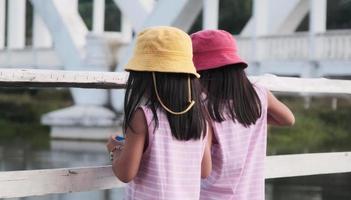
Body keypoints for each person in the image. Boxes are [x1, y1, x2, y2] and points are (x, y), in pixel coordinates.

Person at [106, 26, 212, 200]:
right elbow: (205, 170)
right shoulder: (200, 116)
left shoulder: (143, 116)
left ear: (147, 76)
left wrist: (116, 149)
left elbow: (125, 173)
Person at [190, 30, 295, 200]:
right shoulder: (259, 94)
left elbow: (204, 168)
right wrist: (255, 117)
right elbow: (288, 119)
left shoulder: (204, 108)